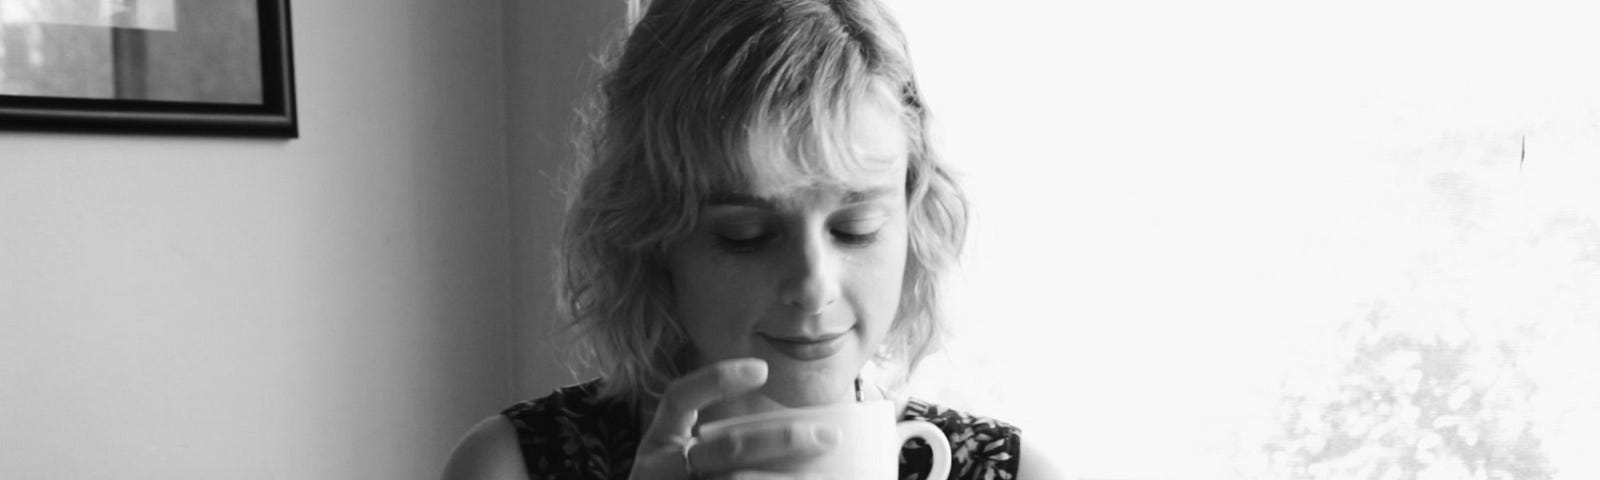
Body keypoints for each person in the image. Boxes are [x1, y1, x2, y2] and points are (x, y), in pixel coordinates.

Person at [444, 0, 1059, 478]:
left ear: (912, 219)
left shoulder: (1011, 472)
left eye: (856, 229)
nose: (814, 286)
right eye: (747, 235)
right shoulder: (512, 466)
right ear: (651, 238)